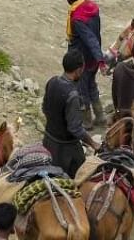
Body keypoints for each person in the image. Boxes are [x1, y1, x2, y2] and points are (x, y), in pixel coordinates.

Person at [42, 49, 98, 178]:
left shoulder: (52, 81)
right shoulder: (72, 95)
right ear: (79, 70)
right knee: (81, 178)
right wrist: (93, 143)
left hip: (48, 141)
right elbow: (75, 129)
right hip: (66, 151)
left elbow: (44, 108)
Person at [63, 0, 105, 128]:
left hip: (82, 58)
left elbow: (89, 38)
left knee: (82, 90)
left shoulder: (77, 19)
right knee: (91, 85)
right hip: (93, 57)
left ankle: (86, 122)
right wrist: (99, 57)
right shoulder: (91, 7)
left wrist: (100, 59)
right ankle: (100, 116)